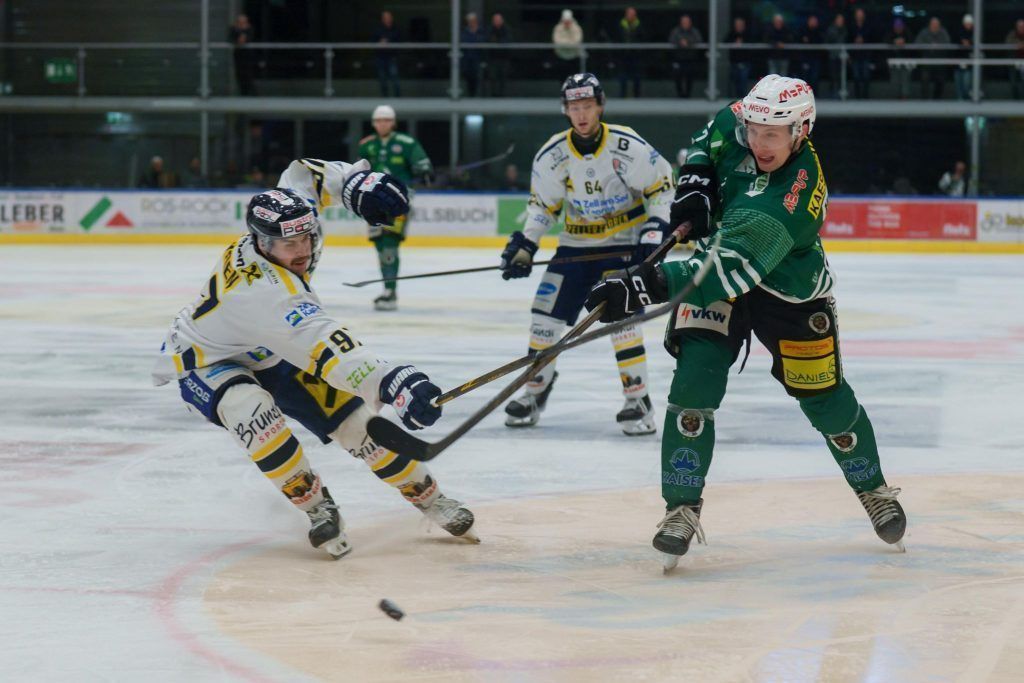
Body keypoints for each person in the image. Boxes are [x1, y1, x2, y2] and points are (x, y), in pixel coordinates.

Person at [584, 75, 907, 570]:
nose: (758, 141)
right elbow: (707, 138)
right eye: (754, 130)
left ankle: (872, 488)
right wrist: (695, 180)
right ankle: (681, 507)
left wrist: (642, 286)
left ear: (801, 131)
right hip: (717, 271)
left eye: (772, 134)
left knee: (824, 399)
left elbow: (725, 273)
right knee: (693, 385)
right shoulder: (742, 121)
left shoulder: (793, 197)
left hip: (785, 291)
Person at [152, 164, 476, 560]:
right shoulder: (265, 292)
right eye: (291, 245)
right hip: (206, 360)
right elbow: (327, 347)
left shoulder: (284, 229)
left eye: (307, 237)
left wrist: (354, 183)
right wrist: (395, 381)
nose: (303, 250)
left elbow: (302, 176)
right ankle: (316, 506)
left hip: (272, 350)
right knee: (251, 412)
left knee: (358, 426)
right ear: (263, 244)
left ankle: (431, 498)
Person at [498, 73, 674, 436]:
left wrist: (655, 228)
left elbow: (662, 186)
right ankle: (534, 392)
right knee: (544, 320)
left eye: (587, 106)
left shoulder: (628, 146)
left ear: (600, 106)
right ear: (565, 110)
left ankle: (637, 399)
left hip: (624, 245)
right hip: (575, 248)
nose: (581, 114)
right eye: (574, 107)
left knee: (622, 323)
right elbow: (542, 207)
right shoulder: (552, 154)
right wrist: (527, 244)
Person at [358, 104, 433, 311]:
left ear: (393, 122)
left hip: (397, 201)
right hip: (371, 202)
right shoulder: (366, 145)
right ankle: (387, 289)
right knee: (379, 244)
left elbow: (422, 163)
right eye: (379, 120)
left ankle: (390, 292)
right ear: (374, 123)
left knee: (390, 243)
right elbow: (358, 173)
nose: (383, 124)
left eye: (387, 120)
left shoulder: (407, 143)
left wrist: (424, 171)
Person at [914, 16, 951, 99]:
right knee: (924, 81)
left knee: (940, 81)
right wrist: (928, 46)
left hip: (939, 62)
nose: (935, 26)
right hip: (926, 62)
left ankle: (937, 100)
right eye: (933, 24)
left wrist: (939, 46)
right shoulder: (924, 32)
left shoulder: (943, 32)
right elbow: (917, 43)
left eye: (937, 24)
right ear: (929, 25)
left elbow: (948, 43)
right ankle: (925, 100)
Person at [669, 15, 703, 98]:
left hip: (690, 58)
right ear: (681, 23)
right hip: (678, 58)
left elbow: (699, 39)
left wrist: (688, 42)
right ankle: (680, 94)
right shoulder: (676, 30)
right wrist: (680, 42)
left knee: (689, 77)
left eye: (687, 22)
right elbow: (671, 39)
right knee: (678, 77)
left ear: (690, 23)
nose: (685, 23)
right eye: (683, 22)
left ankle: (687, 95)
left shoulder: (694, 31)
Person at [372, 10, 402, 97]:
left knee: (395, 77)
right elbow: (372, 41)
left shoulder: (396, 28)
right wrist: (379, 42)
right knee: (382, 79)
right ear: (382, 19)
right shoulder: (377, 29)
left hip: (392, 57)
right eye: (385, 17)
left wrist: (388, 40)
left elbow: (399, 39)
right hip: (380, 57)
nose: (387, 19)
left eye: (389, 17)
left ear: (391, 18)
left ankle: (398, 98)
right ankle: (385, 99)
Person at [724, 17, 753, 98]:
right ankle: (732, 98)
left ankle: (742, 99)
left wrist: (743, 43)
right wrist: (734, 43)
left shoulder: (748, 34)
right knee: (733, 81)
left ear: (743, 25)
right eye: (737, 25)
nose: (739, 26)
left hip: (745, 62)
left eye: (740, 25)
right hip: (734, 62)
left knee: (743, 82)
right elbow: (725, 42)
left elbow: (752, 44)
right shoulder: (732, 33)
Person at [486, 13, 512, 97]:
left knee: (503, 77)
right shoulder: (490, 29)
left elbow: (507, 41)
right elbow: (488, 40)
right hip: (493, 57)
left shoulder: (506, 29)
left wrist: (497, 41)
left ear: (502, 21)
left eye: (498, 20)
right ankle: (493, 94)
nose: (497, 22)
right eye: (495, 20)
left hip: (504, 57)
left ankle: (502, 95)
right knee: (492, 77)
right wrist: (498, 42)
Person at [797, 15, 824, 93]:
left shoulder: (819, 31)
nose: (813, 23)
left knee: (814, 77)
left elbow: (820, 41)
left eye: (815, 22)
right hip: (805, 58)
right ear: (808, 22)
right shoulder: (803, 30)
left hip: (815, 58)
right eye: (812, 21)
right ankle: (804, 95)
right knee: (805, 77)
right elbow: (799, 40)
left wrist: (809, 40)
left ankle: (814, 94)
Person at [850, 8, 873, 99]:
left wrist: (864, 40)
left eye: (861, 14)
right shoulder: (852, 26)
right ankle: (857, 96)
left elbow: (872, 38)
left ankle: (865, 96)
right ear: (855, 16)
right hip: (855, 55)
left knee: (866, 76)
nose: (859, 16)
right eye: (858, 14)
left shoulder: (868, 26)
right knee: (856, 76)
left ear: (864, 15)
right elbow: (849, 39)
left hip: (865, 55)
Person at [886, 18, 912, 100]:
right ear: (894, 27)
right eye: (897, 26)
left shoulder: (907, 33)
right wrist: (894, 42)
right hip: (893, 61)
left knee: (905, 79)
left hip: (906, 61)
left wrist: (904, 42)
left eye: (900, 26)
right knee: (894, 79)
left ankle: (905, 97)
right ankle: (894, 97)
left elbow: (912, 40)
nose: (898, 28)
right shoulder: (890, 33)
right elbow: (886, 40)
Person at [461, 12, 485, 97]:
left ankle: (479, 96)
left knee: (478, 77)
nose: (471, 23)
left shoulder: (481, 31)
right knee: (469, 78)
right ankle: (471, 95)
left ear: (476, 21)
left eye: (472, 21)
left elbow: (482, 42)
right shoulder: (465, 32)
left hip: (478, 58)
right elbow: (463, 42)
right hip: (468, 59)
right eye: (469, 21)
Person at [824, 14, 847, 98]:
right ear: (835, 20)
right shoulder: (831, 30)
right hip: (833, 56)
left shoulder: (845, 29)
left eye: (842, 20)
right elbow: (827, 42)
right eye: (839, 19)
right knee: (833, 76)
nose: (840, 21)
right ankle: (832, 95)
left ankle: (841, 95)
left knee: (842, 76)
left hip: (842, 57)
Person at [955, 15, 975, 100]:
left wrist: (969, 42)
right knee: (959, 83)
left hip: (969, 63)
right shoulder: (958, 32)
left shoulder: (975, 34)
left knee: (967, 84)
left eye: (970, 24)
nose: (968, 25)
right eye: (966, 24)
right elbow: (954, 41)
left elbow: (976, 43)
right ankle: (960, 100)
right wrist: (962, 42)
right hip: (958, 61)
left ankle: (967, 100)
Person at [1006, 19, 1024, 99]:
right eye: (1019, 26)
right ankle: (1015, 99)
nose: (1021, 28)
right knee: (1014, 81)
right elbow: (1007, 42)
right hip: (1014, 60)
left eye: (1023, 26)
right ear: (1016, 27)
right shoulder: (1012, 34)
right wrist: (1017, 44)